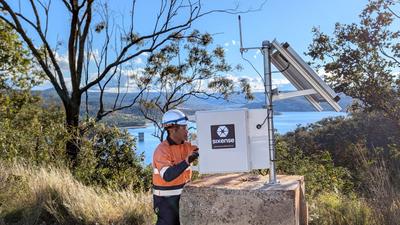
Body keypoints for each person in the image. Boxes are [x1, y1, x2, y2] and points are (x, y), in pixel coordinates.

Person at [152, 109, 199, 225]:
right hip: (165, 201)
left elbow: (207, 149)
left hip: (183, 196)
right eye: (184, 128)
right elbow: (167, 175)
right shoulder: (162, 150)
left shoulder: (187, 146)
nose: (187, 131)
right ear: (173, 130)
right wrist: (187, 161)